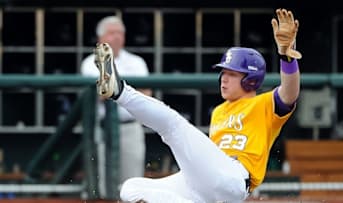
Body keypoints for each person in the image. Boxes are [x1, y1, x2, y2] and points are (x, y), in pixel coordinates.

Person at [93, 8, 301, 203]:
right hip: (205, 179)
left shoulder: (263, 104)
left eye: (232, 74)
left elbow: (289, 93)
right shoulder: (219, 111)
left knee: (174, 124)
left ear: (251, 80)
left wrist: (286, 57)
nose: (224, 78)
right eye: (223, 72)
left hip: (234, 177)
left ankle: (119, 90)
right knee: (130, 189)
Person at [80, 15, 152, 197]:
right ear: (100, 37)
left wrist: (115, 92)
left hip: (130, 127)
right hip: (103, 129)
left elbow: (147, 94)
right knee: (104, 188)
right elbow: (101, 94)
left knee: (133, 185)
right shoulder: (90, 62)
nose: (117, 37)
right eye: (112, 33)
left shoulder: (136, 62)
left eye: (120, 33)